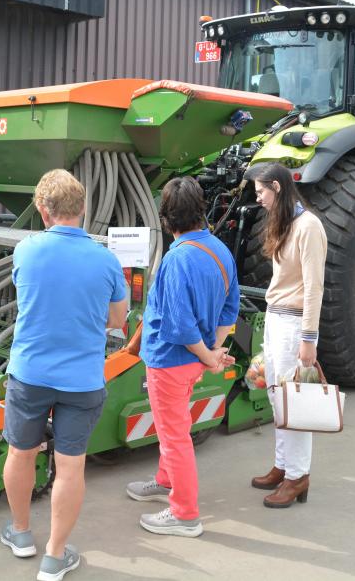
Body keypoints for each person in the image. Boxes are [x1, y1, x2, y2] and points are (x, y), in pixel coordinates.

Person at [0, 169, 128, 581]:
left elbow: (26, 294)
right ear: (83, 209)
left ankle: (21, 534)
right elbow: (117, 320)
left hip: (31, 373)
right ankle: (54, 557)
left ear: (43, 210)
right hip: (82, 380)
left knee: (21, 452)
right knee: (70, 466)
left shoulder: (27, 251)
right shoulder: (107, 260)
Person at [125, 176, 239, 537]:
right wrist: (214, 351)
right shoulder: (220, 250)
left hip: (171, 361)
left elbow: (180, 326)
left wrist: (207, 355)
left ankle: (185, 515)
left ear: (166, 219)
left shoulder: (177, 259)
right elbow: (229, 309)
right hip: (190, 363)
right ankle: (164, 481)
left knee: (175, 436)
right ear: (201, 211)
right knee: (173, 428)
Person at [248, 163, 327, 508]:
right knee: (278, 397)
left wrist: (308, 339)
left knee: (295, 402)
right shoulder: (287, 223)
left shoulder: (308, 226)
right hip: (278, 319)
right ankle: (283, 466)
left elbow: (314, 288)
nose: (259, 198)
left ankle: (298, 476)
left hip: (295, 324)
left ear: (277, 188)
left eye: (262, 192)